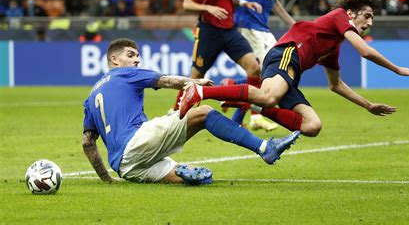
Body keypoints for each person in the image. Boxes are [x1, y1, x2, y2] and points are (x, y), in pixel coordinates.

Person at [179, 0, 409, 138]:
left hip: (292, 72)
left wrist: (368, 105)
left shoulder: (333, 45)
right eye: (367, 16)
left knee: (312, 126)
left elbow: (335, 85)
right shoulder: (338, 16)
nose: (369, 24)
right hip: (286, 52)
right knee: (268, 96)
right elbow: (365, 51)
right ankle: (200, 91)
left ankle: (241, 96)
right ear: (351, 13)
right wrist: (396, 69)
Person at [82, 38, 300, 185]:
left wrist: (107, 179)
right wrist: (195, 82)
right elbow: (167, 80)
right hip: (138, 142)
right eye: (130, 55)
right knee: (203, 112)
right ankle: (265, 147)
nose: (136, 59)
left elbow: (87, 142)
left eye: (137, 56)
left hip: (126, 167)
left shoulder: (91, 97)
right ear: (114, 59)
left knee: (197, 178)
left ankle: (184, 174)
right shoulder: (126, 73)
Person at [171, 0, 263, 111]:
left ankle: (249, 108)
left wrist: (243, 3)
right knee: (195, 78)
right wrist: (208, 9)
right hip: (209, 32)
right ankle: (175, 114)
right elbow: (187, 4)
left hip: (229, 30)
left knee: (254, 69)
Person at [217, 0, 295, 131]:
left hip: (261, 25)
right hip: (247, 22)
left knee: (261, 74)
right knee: (271, 69)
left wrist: (292, 24)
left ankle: (239, 109)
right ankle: (234, 92)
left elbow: (273, 0)